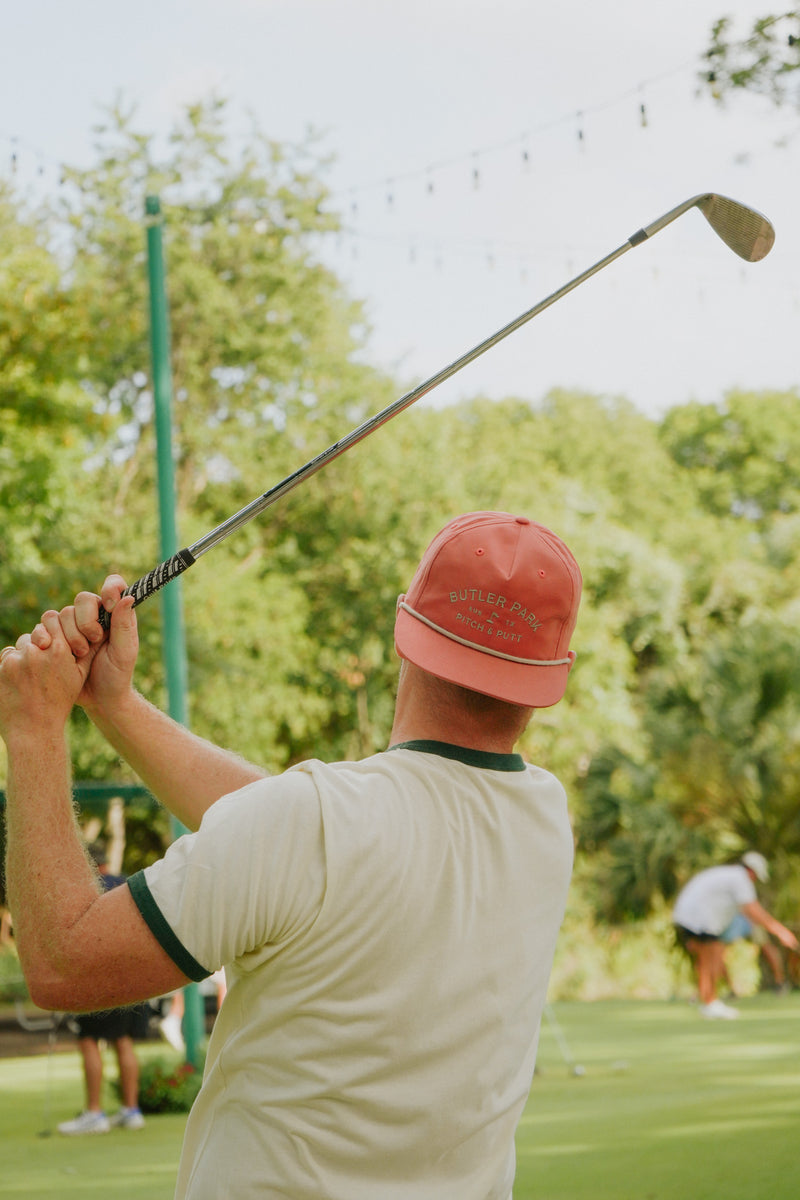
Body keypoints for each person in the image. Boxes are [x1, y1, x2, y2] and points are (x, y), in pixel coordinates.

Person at [0, 510, 581, 1198]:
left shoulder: (311, 825)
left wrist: (35, 729)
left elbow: (65, 964)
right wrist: (116, 706)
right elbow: (293, 837)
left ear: (405, 631)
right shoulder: (544, 818)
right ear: (551, 676)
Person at [57, 841, 146, 1135]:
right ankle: (131, 1110)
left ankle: (95, 1113)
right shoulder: (127, 885)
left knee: (89, 1040)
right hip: (129, 975)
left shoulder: (82, 889)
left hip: (96, 976)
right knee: (122, 1039)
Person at [672, 851, 799, 1020]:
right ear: (752, 871)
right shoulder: (740, 878)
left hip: (688, 916)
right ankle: (710, 1003)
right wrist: (781, 932)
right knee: (711, 958)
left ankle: (709, 1002)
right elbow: (752, 910)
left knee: (706, 960)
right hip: (699, 919)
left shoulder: (729, 874)